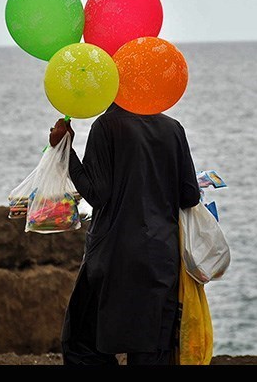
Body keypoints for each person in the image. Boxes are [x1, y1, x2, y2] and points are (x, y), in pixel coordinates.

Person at [48, 103, 201, 365]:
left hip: (113, 255)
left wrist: (65, 150)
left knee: (83, 343)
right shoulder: (173, 128)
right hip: (161, 255)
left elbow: (97, 194)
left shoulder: (106, 126)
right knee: (151, 347)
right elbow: (190, 195)